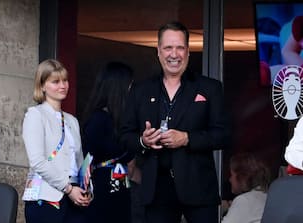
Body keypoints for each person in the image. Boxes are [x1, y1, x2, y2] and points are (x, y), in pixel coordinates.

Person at [120, 21, 227, 223]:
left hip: (199, 189)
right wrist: (143, 141)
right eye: (168, 47)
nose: (174, 54)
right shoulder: (141, 91)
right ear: (159, 52)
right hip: (156, 190)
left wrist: (187, 138)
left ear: (188, 51)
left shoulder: (209, 88)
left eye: (179, 47)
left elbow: (223, 135)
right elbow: (125, 136)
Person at [22, 59, 91, 223]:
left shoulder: (72, 120)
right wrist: (68, 189)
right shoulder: (35, 115)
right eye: (55, 81)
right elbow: (38, 161)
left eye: (65, 80)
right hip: (47, 198)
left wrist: (85, 190)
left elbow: (79, 161)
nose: (63, 85)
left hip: (74, 198)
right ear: (42, 86)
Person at [82, 61, 138, 223]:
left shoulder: (120, 120)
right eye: (129, 85)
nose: (132, 90)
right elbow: (88, 158)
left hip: (120, 184)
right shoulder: (98, 119)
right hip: (102, 186)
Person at [222, 153, 272, 223]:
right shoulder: (268, 196)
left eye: (231, 175)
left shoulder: (244, 200)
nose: (230, 179)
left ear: (242, 177)